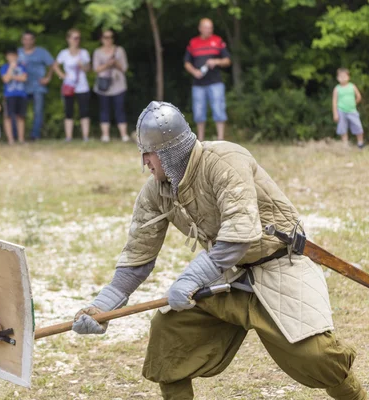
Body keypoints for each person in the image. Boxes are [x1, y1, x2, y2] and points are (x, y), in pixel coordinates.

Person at [72, 101, 367, 400]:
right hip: (228, 274)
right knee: (169, 333)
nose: (144, 161)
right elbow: (138, 258)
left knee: (316, 355)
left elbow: (240, 234)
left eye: (149, 153)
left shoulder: (225, 159)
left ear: (170, 151)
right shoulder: (156, 191)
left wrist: (190, 278)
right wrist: (103, 307)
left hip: (279, 264)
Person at [184, 18, 231, 141]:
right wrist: (194, 72)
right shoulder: (193, 42)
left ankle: (221, 139)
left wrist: (216, 61)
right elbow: (186, 63)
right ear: (200, 28)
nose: (209, 30)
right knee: (199, 112)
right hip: (198, 84)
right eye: (206, 27)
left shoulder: (218, 41)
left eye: (211, 27)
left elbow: (227, 60)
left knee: (219, 109)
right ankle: (200, 139)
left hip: (216, 82)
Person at [53, 29, 91, 141]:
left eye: (78, 38)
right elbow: (55, 65)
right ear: (68, 39)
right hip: (69, 85)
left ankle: (85, 136)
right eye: (74, 38)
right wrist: (62, 76)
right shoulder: (64, 53)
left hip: (82, 85)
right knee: (68, 111)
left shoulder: (84, 53)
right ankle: (68, 136)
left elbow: (88, 68)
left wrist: (82, 65)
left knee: (84, 110)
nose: (76, 40)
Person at [93, 29, 130, 143]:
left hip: (119, 85)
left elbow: (124, 68)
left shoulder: (120, 50)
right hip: (103, 85)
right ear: (101, 39)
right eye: (105, 37)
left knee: (120, 109)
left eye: (110, 37)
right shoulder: (97, 52)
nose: (108, 40)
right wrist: (107, 65)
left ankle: (124, 135)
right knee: (104, 109)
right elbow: (96, 69)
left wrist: (116, 64)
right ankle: (105, 135)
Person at [17, 31, 55, 140]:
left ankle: (35, 135)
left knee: (38, 111)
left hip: (38, 86)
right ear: (22, 40)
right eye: (25, 39)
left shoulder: (41, 52)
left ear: (34, 40)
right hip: (21, 87)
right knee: (20, 112)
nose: (27, 41)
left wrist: (48, 77)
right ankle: (19, 135)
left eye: (30, 39)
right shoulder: (18, 52)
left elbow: (52, 64)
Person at [0, 48, 28, 144]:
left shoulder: (22, 67)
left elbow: (24, 78)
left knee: (21, 116)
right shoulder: (4, 67)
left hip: (21, 94)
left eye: (13, 55)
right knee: (8, 116)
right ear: (7, 57)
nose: (12, 58)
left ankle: (21, 138)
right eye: (9, 56)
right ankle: (10, 139)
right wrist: (11, 68)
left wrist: (12, 77)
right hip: (9, 95)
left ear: (17, 56)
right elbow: (6, 79)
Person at [332, 68, 364, 149]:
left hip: (352, 110)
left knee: (358, 126)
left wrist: (354, 103)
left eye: (344, 76)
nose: (342, 78)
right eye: (340, 76)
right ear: (337, 78)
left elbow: (359, 97)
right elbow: (334, 102)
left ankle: (360, 143)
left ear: (348, 77)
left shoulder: (352, 86)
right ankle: (345, 145)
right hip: (341, 111)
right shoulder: (337, 89)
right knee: (343, 128)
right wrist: (335, 113)